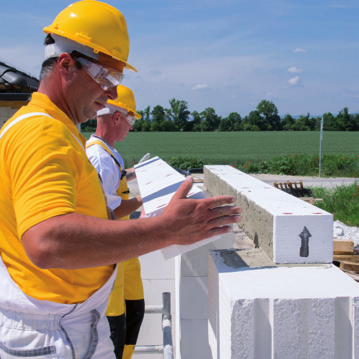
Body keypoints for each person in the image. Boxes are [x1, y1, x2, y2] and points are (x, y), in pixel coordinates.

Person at [0, 1, 241, 358]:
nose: (112, 94)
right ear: (66, 64)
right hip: (54, 335)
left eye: (118, 80)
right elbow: (47, 241)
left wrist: (158, 220)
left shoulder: (57, 131)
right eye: (106, 77)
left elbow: (82, 221)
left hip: (64, 325)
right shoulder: (41, 132)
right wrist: (165, 231)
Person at [86, 85, 145, 359]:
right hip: (109, 256)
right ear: (117, 117)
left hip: (122, 252)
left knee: (134, 312)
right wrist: (145, 200)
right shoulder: (99, 158)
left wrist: (136, 173)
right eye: (131, 119)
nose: (131, 127)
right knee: (116, 328)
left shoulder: (109, 153)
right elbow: (106, 214)